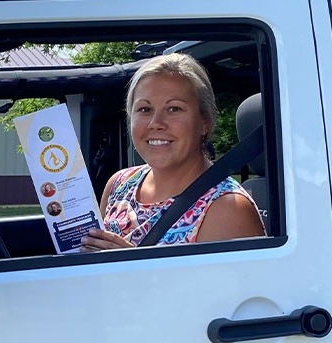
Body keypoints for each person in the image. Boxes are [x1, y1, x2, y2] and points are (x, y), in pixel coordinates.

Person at [80, 52, 265, 251]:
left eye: (174, 109)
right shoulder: (118, 184)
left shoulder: (228, 208)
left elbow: (229, 283)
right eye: (144, 109)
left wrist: (130, 266)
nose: (155, 123)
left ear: (204, 121)